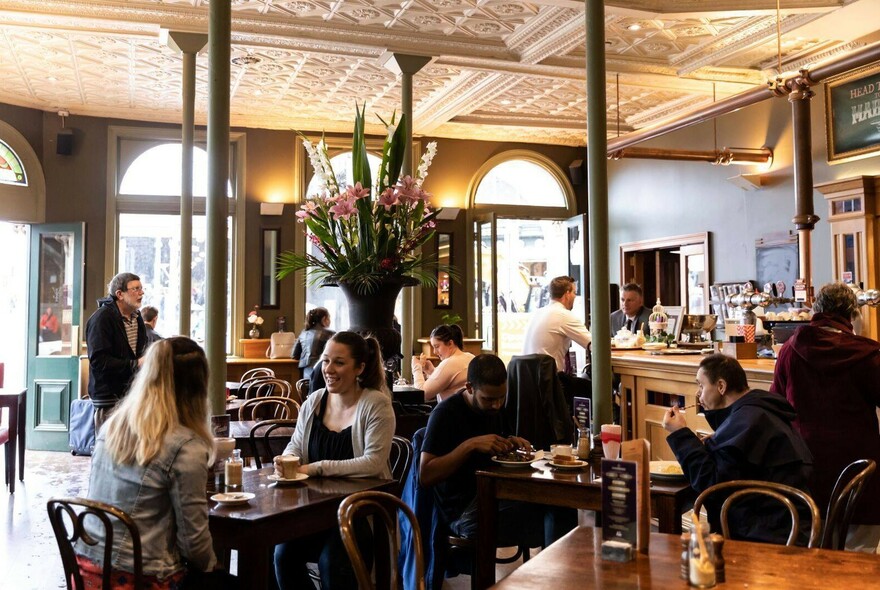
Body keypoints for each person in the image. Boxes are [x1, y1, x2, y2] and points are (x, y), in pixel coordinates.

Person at [77, 337, 232, 589]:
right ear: (198, 386)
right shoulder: (185, 446)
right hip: (141, 577)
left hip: (86, 569)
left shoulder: (112, 427)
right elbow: (194, 546)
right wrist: (214, 566)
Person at [273, 331, 395, 589]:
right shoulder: (314, 402)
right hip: (313, 512)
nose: (329, 369)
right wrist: (286, 459)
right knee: (280, 553)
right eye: (326, 361)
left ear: (360, 368)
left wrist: (316, 468)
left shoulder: (376, 404)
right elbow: (295, 445)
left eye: (339, 362)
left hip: (359, 515)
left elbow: (372, 462)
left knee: (332, 562)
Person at [420, 354, 576, 546]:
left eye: (502, 397)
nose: (496, 404)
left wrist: (511, 442)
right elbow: (425, 474)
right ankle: (550, 570)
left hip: (495, 493)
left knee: (562, 503)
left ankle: (553, 571)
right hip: (462, 512)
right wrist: (469, 445)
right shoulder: (445, 414)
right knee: (551, 510)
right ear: (469, 387)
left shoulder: (497, 408)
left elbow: (496, 447)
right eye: (488, 399)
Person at [771, 282, 880, 552]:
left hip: (806, 461)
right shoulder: (867, 354)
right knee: (859, 555)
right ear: (852, 314)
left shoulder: (789, 350)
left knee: (814, 550)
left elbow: (777, 404)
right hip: (859, 463)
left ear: (816, 310)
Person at [663, 354, 813, 545]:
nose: (699, 394)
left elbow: (711, 484)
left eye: (701, 385)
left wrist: (680, 434)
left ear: (721, 387)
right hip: (789, 523)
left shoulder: (747, 420)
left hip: (768, 535)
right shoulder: (756, 410)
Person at [86, 272, 148, 432]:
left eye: (141, 288)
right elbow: (99, 361)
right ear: (120, 294)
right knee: (108, 449)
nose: (141, 293)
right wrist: (136, 363)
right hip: (108, 396)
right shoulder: (101, 319)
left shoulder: (137, 317)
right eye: (135, 289)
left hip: (131, 394)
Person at [522, 275, 592, 406]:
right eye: (574, 293)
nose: (575, 297)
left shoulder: (537, 314)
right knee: (594, 389)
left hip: (528, 381)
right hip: (550, 381)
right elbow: (595, 346)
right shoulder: (564, 315)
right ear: (567, 294)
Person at [411, 324, 474, 403]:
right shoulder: (470, 356)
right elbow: (451, 382)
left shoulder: (450, 362)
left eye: (437, 346)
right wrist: (432, 372)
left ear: (450, 343)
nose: (434, 352)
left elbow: (422, 394)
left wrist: (416, 368)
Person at [293, 307, 334, 380]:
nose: (330, 321)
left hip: (305, 374)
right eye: (329, 318)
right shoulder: (330, 334)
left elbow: (295, 355)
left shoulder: (304, 333)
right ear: (324, 319)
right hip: (323, 372)